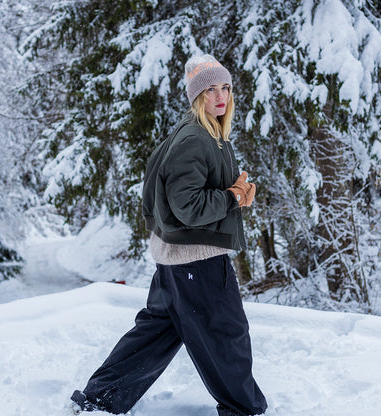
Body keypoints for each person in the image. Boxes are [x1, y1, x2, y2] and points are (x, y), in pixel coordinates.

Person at [71, 54, 267, 416]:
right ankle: (244, 411)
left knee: (156, 333)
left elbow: (194, 197)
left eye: (224, 87)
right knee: (227, 334)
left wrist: (234, 197)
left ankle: (99, 401)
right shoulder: (196, 138)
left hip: (178, 258)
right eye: (210, 90)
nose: (220, 96)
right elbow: (187, 206)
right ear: (196, 96)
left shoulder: (208, 133)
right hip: (199, 259)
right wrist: (231, 198)